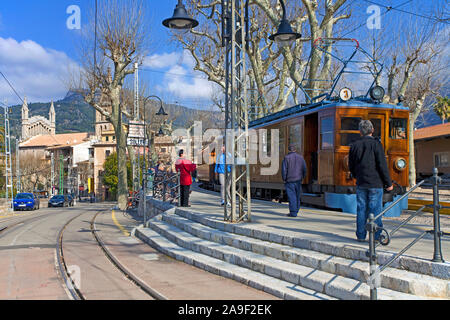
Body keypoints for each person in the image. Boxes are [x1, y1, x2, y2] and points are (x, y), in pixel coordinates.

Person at [349, 120, 393, 243]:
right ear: (372, 130)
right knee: (375, 210)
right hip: (375, 183)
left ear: (360, 132)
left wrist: (356, 176)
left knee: (361, 209)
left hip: (361, 182)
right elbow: (382, 165)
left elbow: (351, 165)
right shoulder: (376, 144)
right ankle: (376, 236)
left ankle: (361, 235)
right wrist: (388, 183)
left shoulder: (354, 145)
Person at [282, 144, 307, 217]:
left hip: (289, 181)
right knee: (297, 196)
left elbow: (284, 170)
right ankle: (296, 210)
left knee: (292, 196)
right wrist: (302, 177)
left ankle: (293, 213)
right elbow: (304, 169)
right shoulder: (301, 158)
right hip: (298, 180)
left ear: (289, 150)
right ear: (295, 150)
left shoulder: (286, 158)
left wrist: (284, 179)